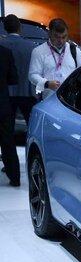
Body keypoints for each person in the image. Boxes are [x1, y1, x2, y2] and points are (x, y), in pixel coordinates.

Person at [28, 18, 81, 100]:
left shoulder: (75, 51)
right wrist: (47, 83)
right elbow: (33, 75)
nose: (61, 41)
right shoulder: (39, 51)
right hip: (49, 99)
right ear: (49, 34)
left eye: (64, 37)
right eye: (57, 37)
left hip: (71, 100)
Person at [0, 15, 37, 136]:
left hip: (7, 93)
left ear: (5, 28)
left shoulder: (2, 45)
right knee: (32, 128)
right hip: (27, 91)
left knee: (6, 130)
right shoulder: (31, 46)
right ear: (20, 28)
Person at [0, 45, 19, 186]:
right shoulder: (5, 52)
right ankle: (15, 178)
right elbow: (13, 79)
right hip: (2, 103)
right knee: (8, 142)